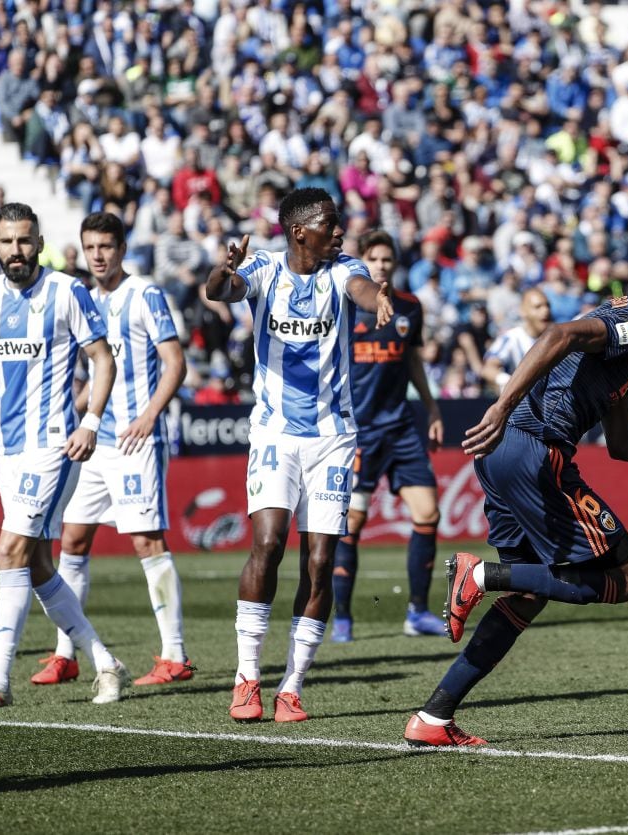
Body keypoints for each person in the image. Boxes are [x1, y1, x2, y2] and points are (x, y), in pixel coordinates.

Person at [402, 244, 628, 747]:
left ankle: (434, 716)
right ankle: (480, 573)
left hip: (503, 455)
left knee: (530, 593)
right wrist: (501, 405)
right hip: (535, 450)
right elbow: (560, 333)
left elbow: (622, 442)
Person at [205, 187, 392, 723]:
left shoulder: (343, 269)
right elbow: (221, 290)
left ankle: (291, 684)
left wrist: (375, 297)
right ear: (299, 231)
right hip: (274, 435)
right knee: (267, 545)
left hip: (333, 437)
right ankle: (246, 678)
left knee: (320, 563)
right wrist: (225, 269)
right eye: (330, 224)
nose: (340, 231)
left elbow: (358, 288)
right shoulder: (264, 269)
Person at [29, 212, 190, 688]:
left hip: (135, 441)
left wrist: (148, 416)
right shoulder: (85, 300)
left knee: (146, 541)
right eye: (91, 247)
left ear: (121, 248)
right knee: (72, 542)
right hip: (94, 441)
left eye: (107, 246)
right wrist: (75, 417)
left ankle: (174, 655)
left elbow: (175, 364)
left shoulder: (144, 294)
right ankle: (68, 653)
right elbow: (94, 376)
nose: (99, 255)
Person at [0, 202, 130, 707]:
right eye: (6, 241)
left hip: (54, 445)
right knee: (41, 565)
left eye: (25, 240)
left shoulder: (66, 290)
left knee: (8, 552)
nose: (16, 250)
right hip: (8, 448)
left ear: (39, 241)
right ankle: (105, 662)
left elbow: (103, 360)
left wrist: (90, 422)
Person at [330, 229, 446, 643]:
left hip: (400, 428)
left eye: (387, 259)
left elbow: (413, 360)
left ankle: (417, 611)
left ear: (395, 263)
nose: (381, 265)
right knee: (352, 524)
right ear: (364, 262)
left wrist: (431, 408)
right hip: (358, 432)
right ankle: (341, 615)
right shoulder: (347, 306)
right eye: (374, 259)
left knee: (428, 513)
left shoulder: (410, 308)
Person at [480, 287, 552, 392]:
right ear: (523, 311)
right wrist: (508, 383)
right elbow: (488, 369)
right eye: (538, 307)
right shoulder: (512, 338)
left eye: (547, 306)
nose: (545, 311)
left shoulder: (558, 336)